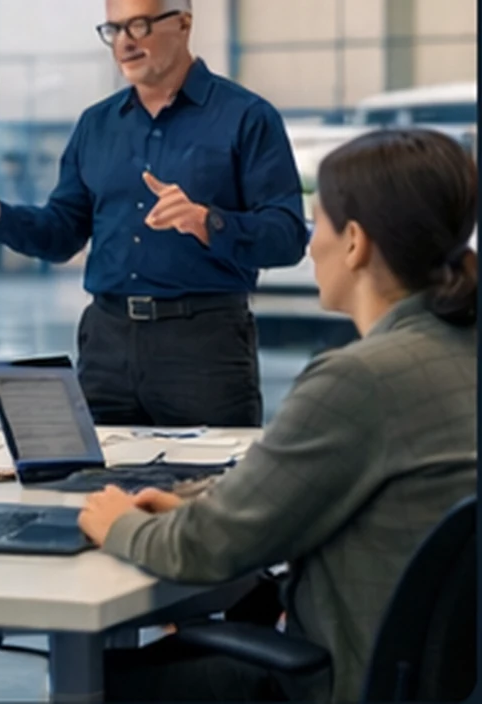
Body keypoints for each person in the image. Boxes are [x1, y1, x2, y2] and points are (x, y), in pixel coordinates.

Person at [78, 127, 479, 702]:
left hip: (339, 681)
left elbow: (202, 549)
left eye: (319, 224)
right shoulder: (457, 352)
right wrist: (195, 505)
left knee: (88, 685)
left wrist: (118, 521)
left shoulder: (360, 379)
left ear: (355, 243)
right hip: (437, 682)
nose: (311, 246)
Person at [0, 0, 308, 428]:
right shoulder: (96, 125)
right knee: (95, 471)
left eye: (139, 25)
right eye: (114, 29)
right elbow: (61, 234)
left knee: (213, 473)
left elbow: (287, 237)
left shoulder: (246, 118)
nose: (125, 42)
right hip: (106, 346)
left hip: (204, 349)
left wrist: (207, 222)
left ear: (183, 24)